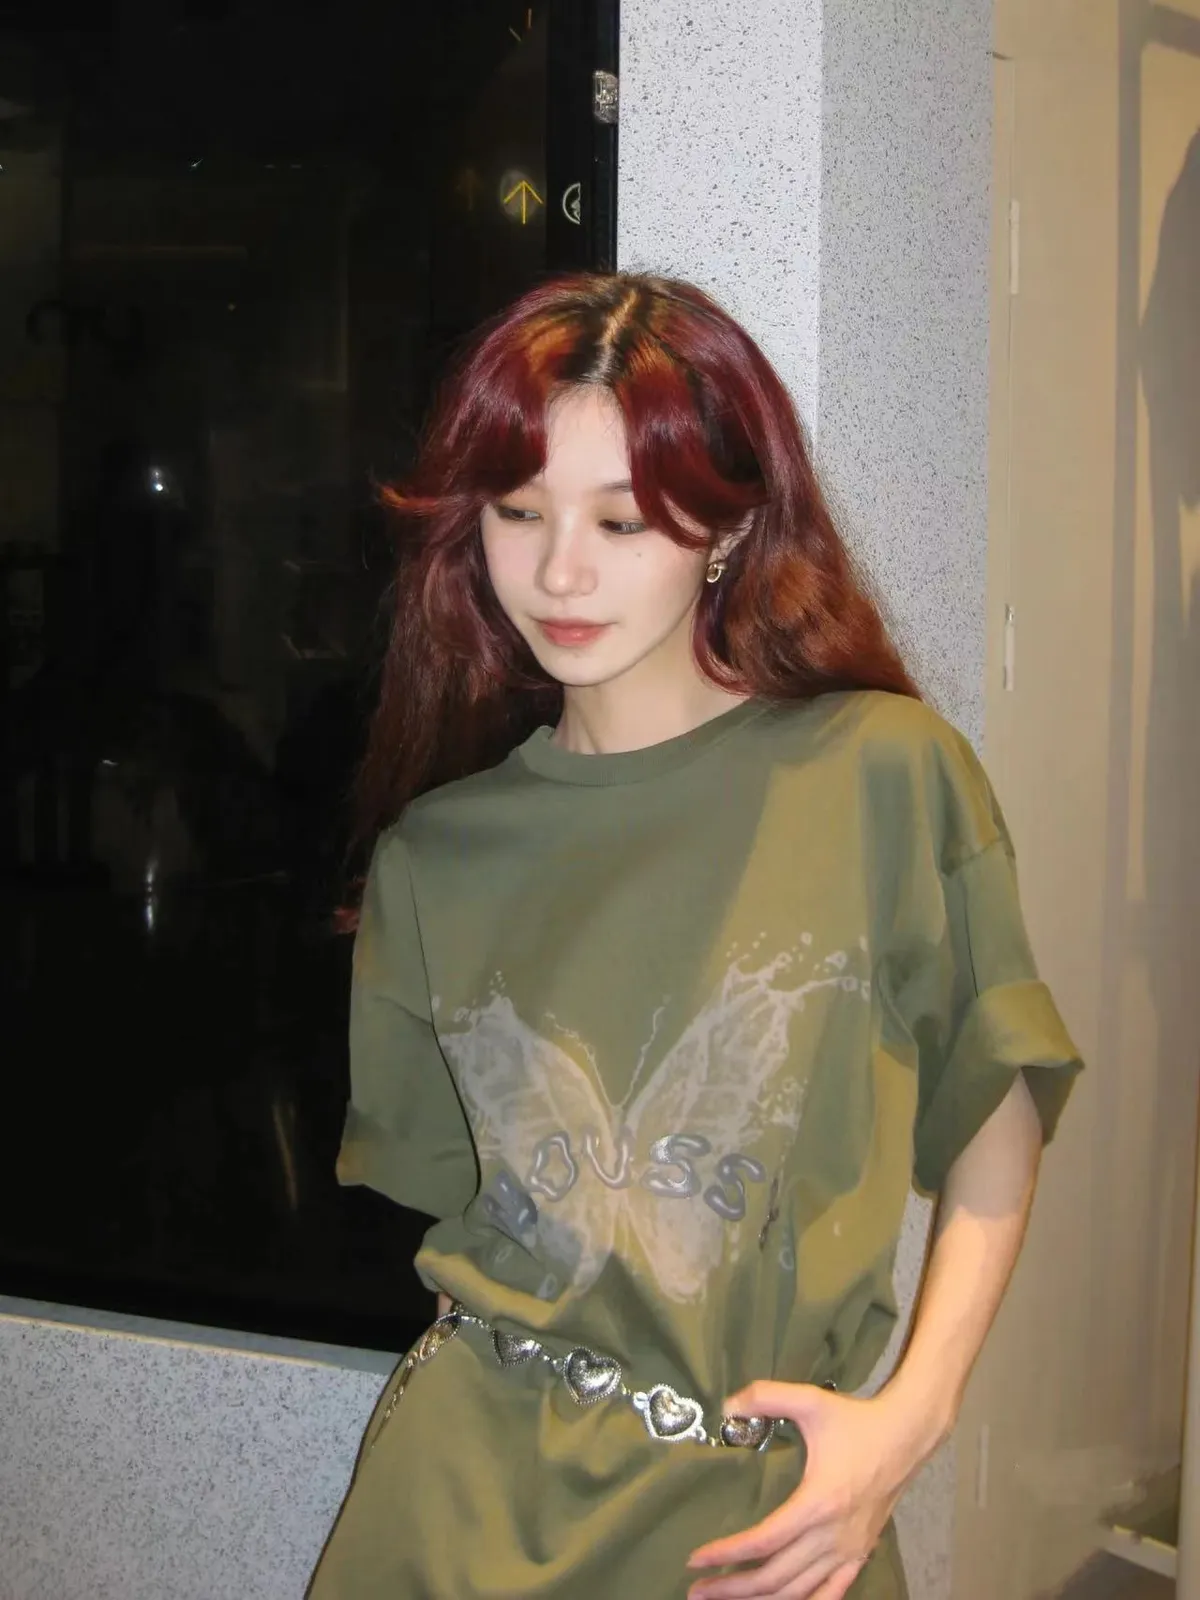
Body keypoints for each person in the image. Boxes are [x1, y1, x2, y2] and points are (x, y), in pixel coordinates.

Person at [307, 273, 1082, 1600]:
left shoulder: (883, 777)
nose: (560, 571)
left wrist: (909, 1422)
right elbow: (480, 1224)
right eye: (517, 511)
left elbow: (995, 1111)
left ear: (726, 528)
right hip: (455, 1512)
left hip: (761, 1527)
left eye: (622, 520)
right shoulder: (436, 857)